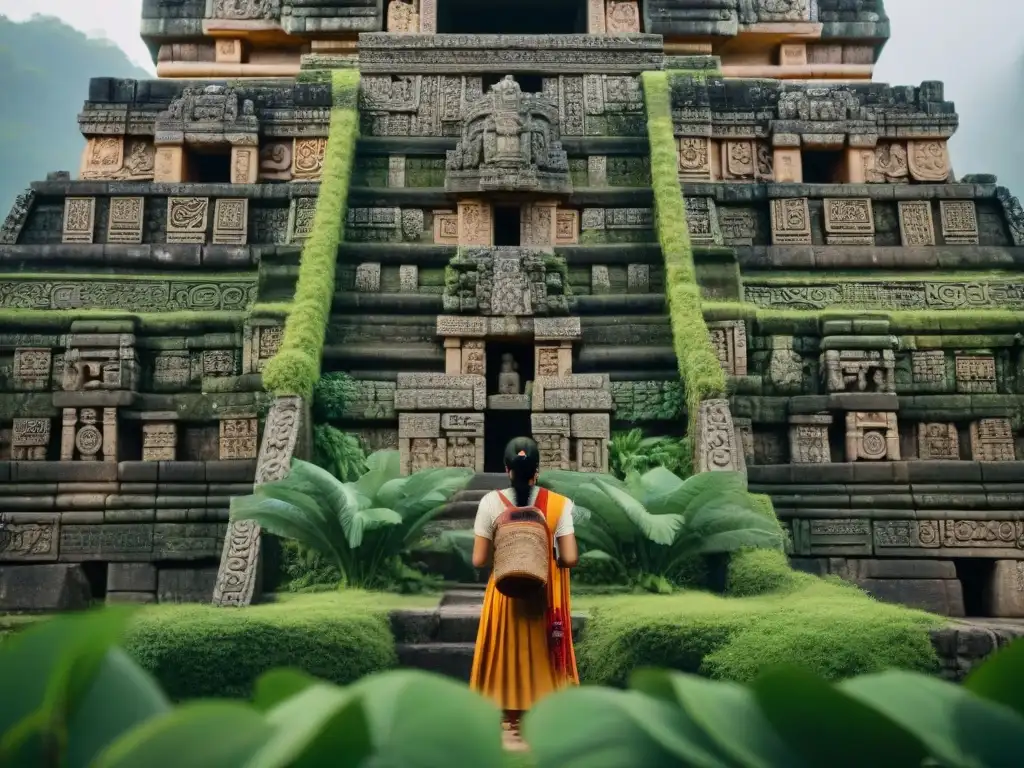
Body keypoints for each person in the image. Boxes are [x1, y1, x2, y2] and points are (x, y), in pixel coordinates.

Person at [469, 436, 580, 736]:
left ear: (507, 470)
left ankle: (508, 718)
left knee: (507, 650)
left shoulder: (490, 503)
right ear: (537, 471)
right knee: (547, 653)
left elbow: (479, 559)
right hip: (546, 598)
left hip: (506, 594)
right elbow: (569, 557)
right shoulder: (560, 504)